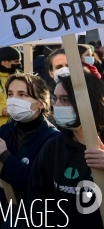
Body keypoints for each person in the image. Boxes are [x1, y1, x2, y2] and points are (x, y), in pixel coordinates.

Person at [28, 72, 104, 228]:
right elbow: (38, 198)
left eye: (65, 100)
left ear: (90, 102)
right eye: (55, 99)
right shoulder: (53, 147)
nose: (57, 106)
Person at [0, 72, 59, 204]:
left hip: (34, 215)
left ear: (41, 103)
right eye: (11, 94)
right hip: (2, 211)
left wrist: (4, 156)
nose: (14, 100)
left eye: (22, 94)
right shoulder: (5, 130)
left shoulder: (53, 139)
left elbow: (38, 185)